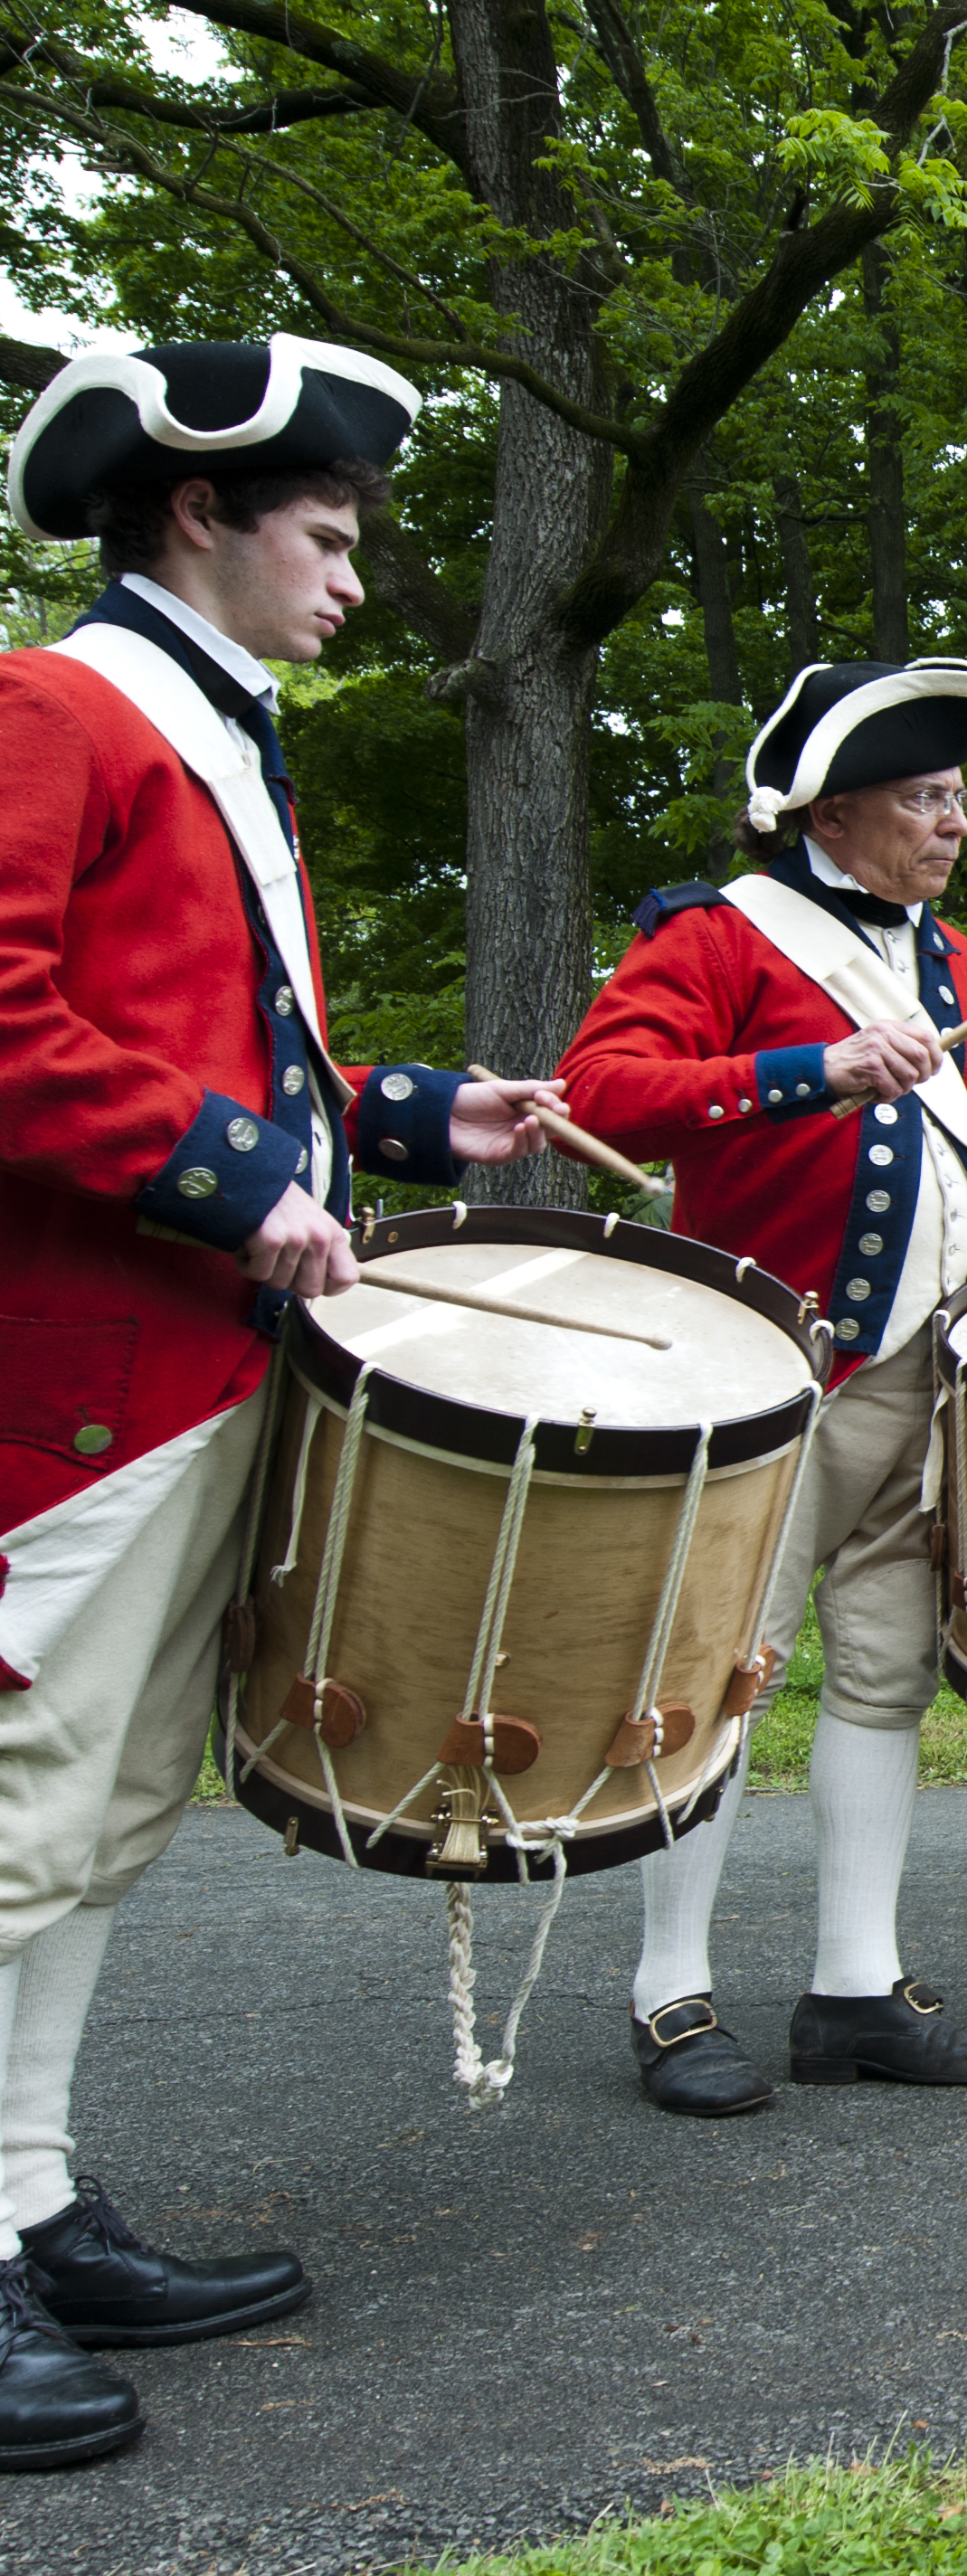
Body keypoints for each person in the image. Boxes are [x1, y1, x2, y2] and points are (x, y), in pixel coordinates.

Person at [0, 335, 565, 2467]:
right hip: (71, 1373)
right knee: (13, 1813)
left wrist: (403, 1109)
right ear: (194, 515)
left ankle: (33, 2194)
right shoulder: (51, 707)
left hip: (189, 1359)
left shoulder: (222, 744)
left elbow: (225, 1048)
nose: (349, 578)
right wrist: (241, 1178)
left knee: (96, 1817)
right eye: (323, 535)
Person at [561, 658, 967, 2111]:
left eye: (958, 796)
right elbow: (603, 1090)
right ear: (833, 809)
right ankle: (672, 1998)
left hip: (929, 1371)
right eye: (925, 797)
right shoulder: (719, 936)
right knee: (721, 1679)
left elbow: (951, 1124)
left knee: (883, 1678)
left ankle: (851, 1988)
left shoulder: (949, 959)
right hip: (777, 1370)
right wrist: (805, 1068)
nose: (956, 822)